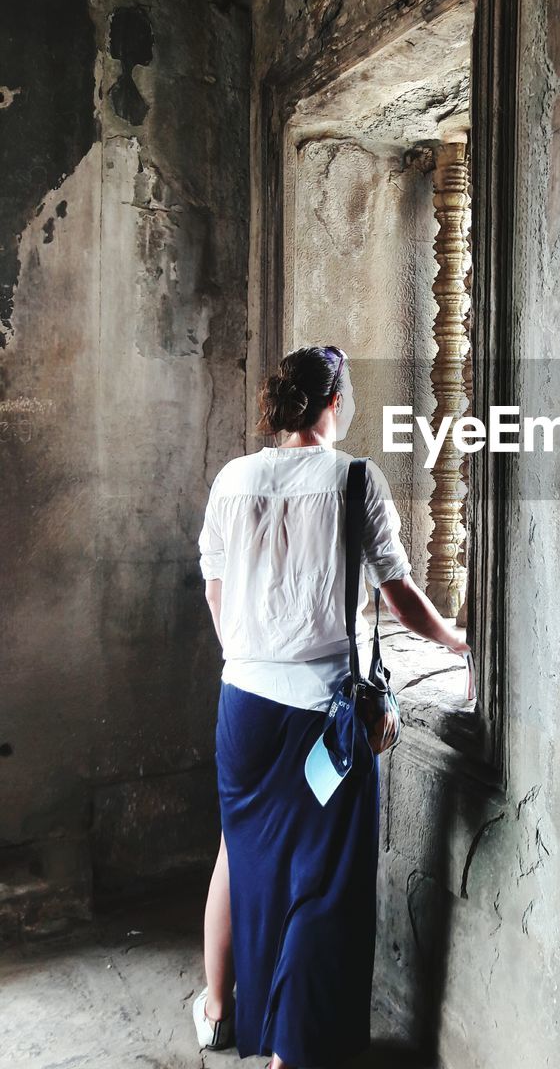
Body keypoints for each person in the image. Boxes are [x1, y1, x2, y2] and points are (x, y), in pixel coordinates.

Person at [191, 344, 473, 1069]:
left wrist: (253, 657)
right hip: (324, 718)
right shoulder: (355, 480)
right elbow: (401, 595)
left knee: (238, 852)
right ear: (335, 405)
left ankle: (218, 1011)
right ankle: (296, 1048)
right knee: (324, 883)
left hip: (244, 707)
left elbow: (216, 589)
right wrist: (456, 639)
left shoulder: (233, 479)